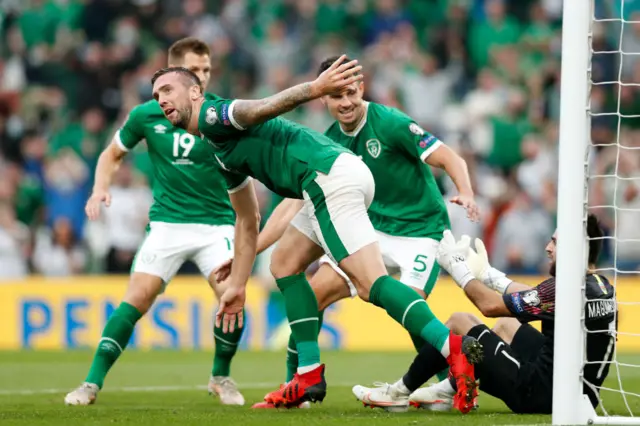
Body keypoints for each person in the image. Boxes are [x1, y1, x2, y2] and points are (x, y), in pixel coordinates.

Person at [150, 59, 483, 413]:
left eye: (168, 89)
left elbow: (261, 107)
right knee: (284, 264)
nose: (161, 99)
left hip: (333, 182)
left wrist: (314, 88)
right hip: (327, 182)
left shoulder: (214, 115)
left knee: (372, 286)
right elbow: (248, 220)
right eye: (156, 95)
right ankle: (306, 374)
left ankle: (452, 350)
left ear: (196, 91)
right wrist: (237, 280)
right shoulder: (217, 150)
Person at [251, 55, 480, 410]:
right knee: (313, 294)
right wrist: (249, 250)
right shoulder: (326, 144)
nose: (345, 102)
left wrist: (464, 191)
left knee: (407, 305)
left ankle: (445, 386)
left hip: (421, 231)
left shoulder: (389, 122)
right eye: (336, 96)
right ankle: (295, 386)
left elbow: (450, 157)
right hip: (371, 230)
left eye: (351, 93)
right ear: (322, 98)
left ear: (363, 88)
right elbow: (290, 207)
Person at [65, 38, 246, 406]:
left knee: (231, 297)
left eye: (207, 71)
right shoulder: (146, 115)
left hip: (217, 226)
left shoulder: (223, 114)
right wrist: (100, 187)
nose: (203, 78)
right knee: (136, 298)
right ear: (174, 74)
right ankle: (91, 383)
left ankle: (221, 376)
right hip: (167, 224)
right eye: (195, 70)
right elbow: (112, 154)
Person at [354, 214, 616, 415]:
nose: (548, 248)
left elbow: (489, 306)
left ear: (574, 249)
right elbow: (533, 295)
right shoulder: (600, 286)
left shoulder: (562, 289)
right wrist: (489, 274)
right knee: (507, 323)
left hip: (538, 394)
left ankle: (399, 392)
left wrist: (459, 271)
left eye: (555, 243)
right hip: (579, 394)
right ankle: (449, 389)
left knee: (459, 322)